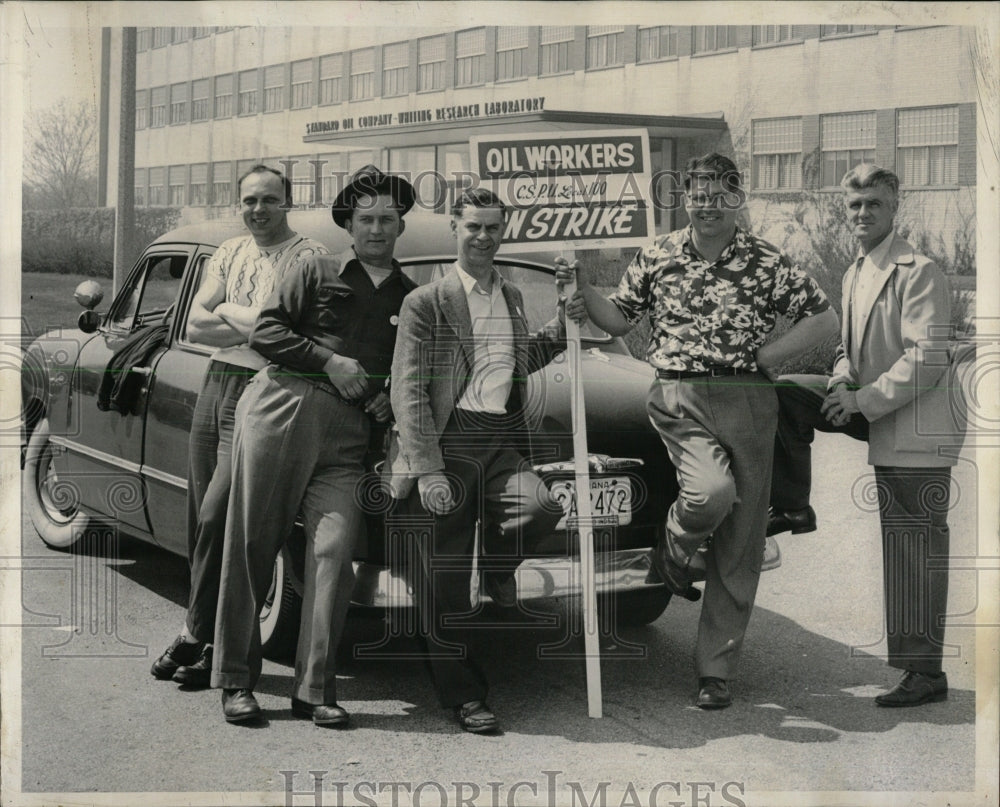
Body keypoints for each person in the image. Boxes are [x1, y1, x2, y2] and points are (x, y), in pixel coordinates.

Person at [560, 152, 837, 709]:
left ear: (737, 200)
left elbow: (823, 317)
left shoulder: (766, 260)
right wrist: (582, 287)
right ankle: (671, 550)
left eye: (720, 196)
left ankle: (716, 670)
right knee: (711, 492)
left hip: (749, 399)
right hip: (677, 395)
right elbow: (618, 318)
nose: (708, 206)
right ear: (686, 198)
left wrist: (767, 356)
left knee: (742, 540)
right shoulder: (658, 254)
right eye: (699, 195)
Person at [210, 166, 417, 724]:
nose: (377, 229)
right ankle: (235, 680)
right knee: (253, 542)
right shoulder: (315, 266)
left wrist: (385, 398)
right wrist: (330, 361)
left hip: (350, 435)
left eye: (388, 219)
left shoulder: (410, 295)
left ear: (401, 225)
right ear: (348, 224)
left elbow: (407, 369)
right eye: (366, 219)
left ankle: (314, 689)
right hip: (283, 408)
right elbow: (267, 331)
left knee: (334, 553)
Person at [768, 163, 964, 707]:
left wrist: (859, 400)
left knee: (912, 547)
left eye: (872, 204)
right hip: (875, 405)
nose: (862, 214)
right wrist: (839, 381)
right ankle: (792, 505)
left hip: (917, 426)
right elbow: (849, 350)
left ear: (894, 205)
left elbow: (929, 358)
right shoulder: (857, 270)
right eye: (853, 205)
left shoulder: (920, 270)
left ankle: (925, 674)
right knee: (786, 391)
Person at [387, 187, 568, 734]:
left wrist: (564, 324)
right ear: (455, 230)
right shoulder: (426, 301)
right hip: (449, 441)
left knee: (539, 507)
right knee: (441, 579)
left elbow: (516, 362)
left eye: (493, 228)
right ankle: (465, 696)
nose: (484, 238)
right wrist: (428, 467)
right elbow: (409, 390)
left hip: (499, 440)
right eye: (474, 227)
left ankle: (494, 573)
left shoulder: (511, 295)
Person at [150, 165, 328, 687]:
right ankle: (210, 644)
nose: (258, 210)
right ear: (240, 204)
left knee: (225, 514)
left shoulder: (310, 257)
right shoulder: (227, 252)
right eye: (250, 200)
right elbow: (192, 324)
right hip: (217, 386)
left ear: (287, 203)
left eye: (270, 200)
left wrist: (229, 313)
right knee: (202, 515)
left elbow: (289, 335)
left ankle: (195, 632)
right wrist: (253, 318)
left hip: (267, 391)